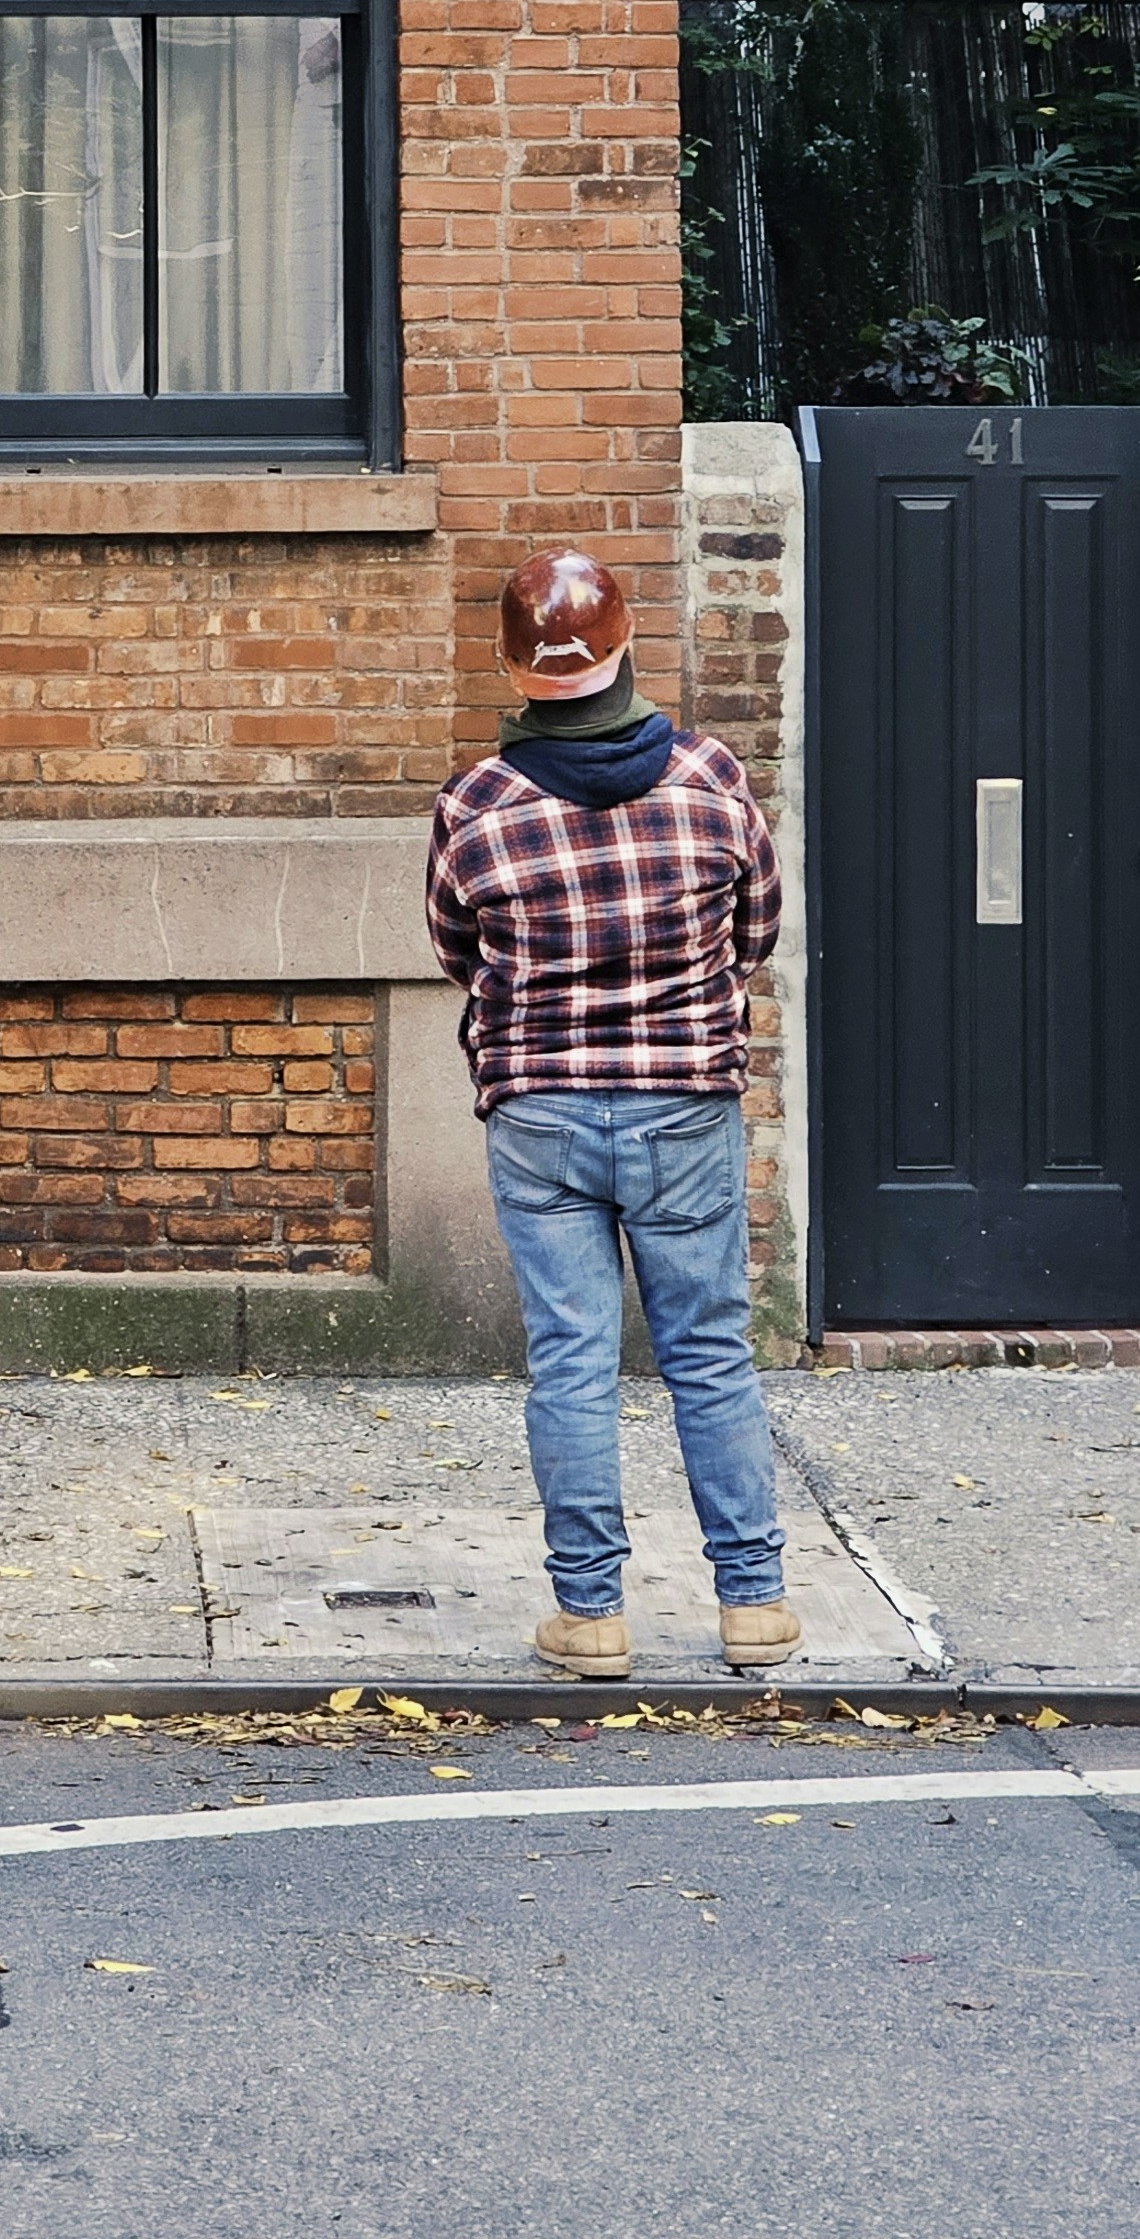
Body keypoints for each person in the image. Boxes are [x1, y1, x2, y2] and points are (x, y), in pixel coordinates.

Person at [423, 546, 800, 1684]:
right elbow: (756, 930)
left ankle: (588, 1617)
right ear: (625, 642)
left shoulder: (475, 806)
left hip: (537, 1108)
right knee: (708, 1353)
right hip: (683, 1103)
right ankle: (754, 1607)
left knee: (571, 1362)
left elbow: (456, 950)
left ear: (507, 661)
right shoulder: (709, 778)